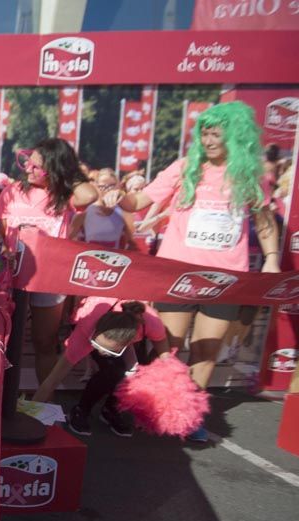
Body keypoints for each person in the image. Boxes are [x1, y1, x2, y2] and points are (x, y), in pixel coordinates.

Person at [113, 101, 281, 442]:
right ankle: (153, 409)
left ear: (235, 135)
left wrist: (273, 258)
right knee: (167, 348)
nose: (209, 139)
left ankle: (187, 416)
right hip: (179, 274)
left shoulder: (249, 175)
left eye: (216, 132)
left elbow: (264, 222)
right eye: (205, 132)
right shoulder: (185, 167)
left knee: (207, 350)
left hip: (225, 279)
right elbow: (141, 201)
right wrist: (119, 196)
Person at [0, 138, 98, 384]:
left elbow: (89, 194)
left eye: (36, 166)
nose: (28, 169)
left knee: (44, 341)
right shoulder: (13, 191)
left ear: (54, 168)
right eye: (27, 162)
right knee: (4, 341)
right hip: (11, 277)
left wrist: (64, 172)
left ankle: (44, 403)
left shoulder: (64, 195)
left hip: (49, 278)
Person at [32, 300, 170, 437]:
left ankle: (111, 409)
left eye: (106, 350)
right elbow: (52, 380)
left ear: (129, 343)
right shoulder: (85, 330)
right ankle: (81, 410)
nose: (99, 352)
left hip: (130, 331)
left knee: (137, 371)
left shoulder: (152, 323)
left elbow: (166, 359)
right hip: (91, 323)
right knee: (112, 370)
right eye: (96, 346)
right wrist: (29, 413)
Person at [68, 168, 134, 249]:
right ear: (95, 187)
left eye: (112, 185)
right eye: (102, 186)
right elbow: (69, 240)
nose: (108, 189)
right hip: (90, 258)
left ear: (118, 186)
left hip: (114, 259)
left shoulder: (124, 212)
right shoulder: (85, 212)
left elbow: (132, 243)